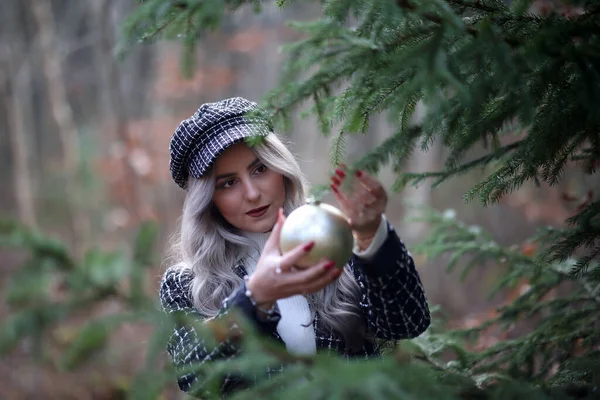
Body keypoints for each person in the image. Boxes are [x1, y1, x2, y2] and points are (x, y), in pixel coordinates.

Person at [160, 97, 431, 398]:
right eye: (228, 183)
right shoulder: (186, 284)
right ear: (208, 199)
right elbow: (197, 379)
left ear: (281, 169)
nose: (251, 193)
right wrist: (254, 300)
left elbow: (407, 323)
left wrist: (371, 234)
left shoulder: (334, 243)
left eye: (260, 169)